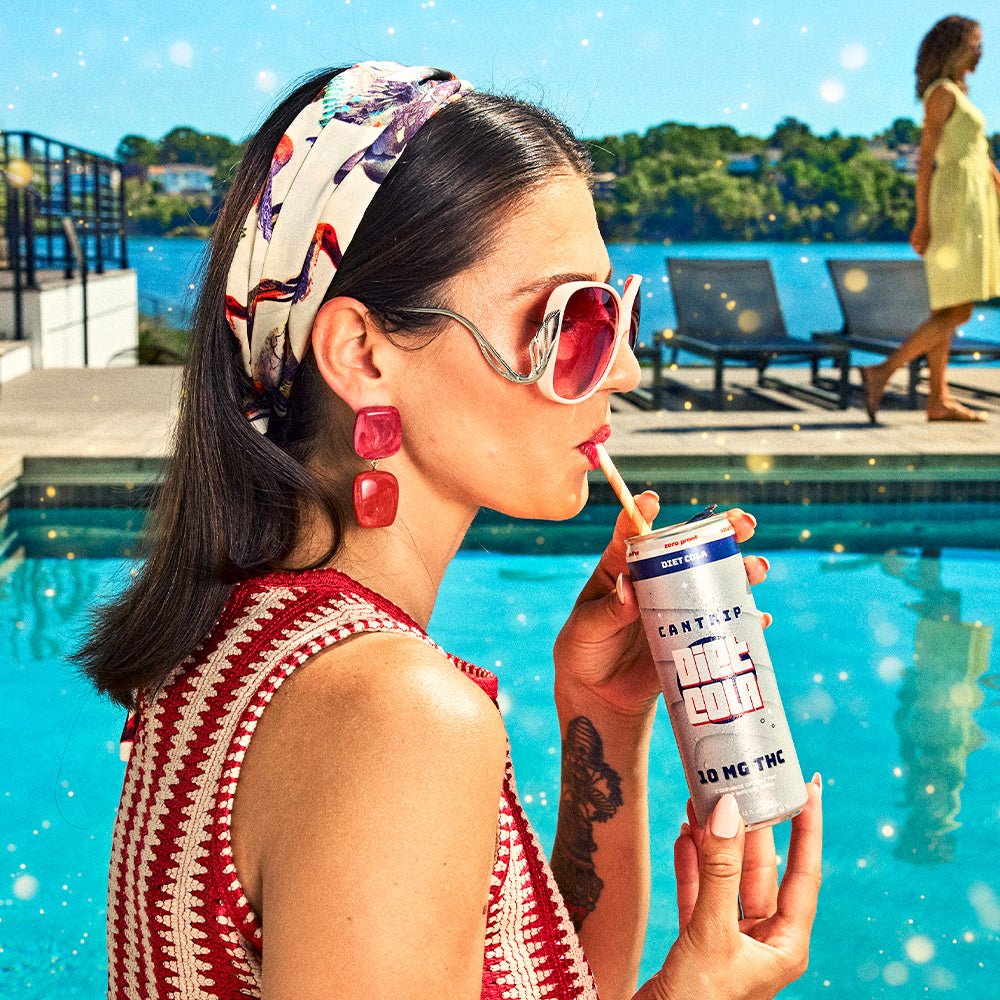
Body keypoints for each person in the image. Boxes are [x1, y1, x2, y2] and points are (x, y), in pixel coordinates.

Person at [79, 62, 822, 999]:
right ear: (363, 352)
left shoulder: (237, 638)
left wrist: (605, 719)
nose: (625, 369)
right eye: (573, 317)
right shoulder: (396, 717)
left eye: (618, 307)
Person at [861, 15, 1000, 423]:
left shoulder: (958, 93)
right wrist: (922, 222)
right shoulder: (941, 93)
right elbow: (925, 162)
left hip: (974, 202)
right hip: (955, 203)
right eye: (975, 43)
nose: (981, 51)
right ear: (956, 47)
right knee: (957, 311)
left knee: (948, 306)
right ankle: (882, 371)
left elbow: (981, 157)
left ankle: (937, 399)